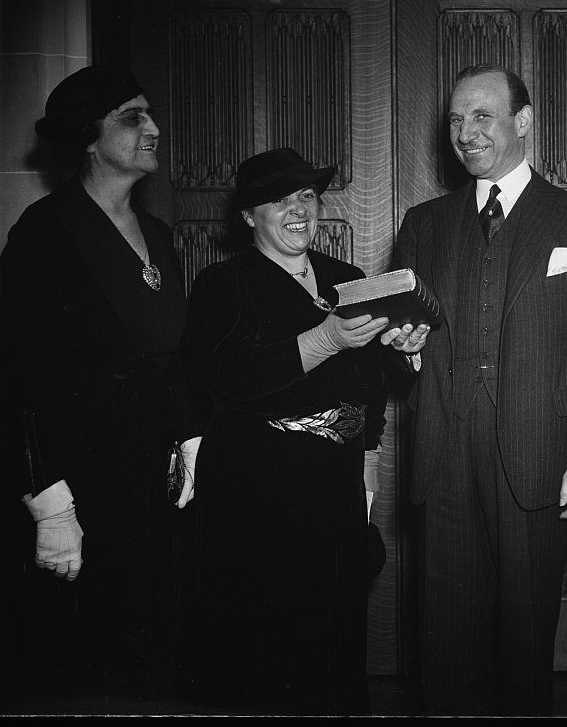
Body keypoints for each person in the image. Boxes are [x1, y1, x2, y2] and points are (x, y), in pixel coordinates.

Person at [383, 64, 567, 716]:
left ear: (522, 120)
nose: (466, 132)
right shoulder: (424, 224)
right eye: (457, 120)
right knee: (445, 646)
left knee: (525, 644)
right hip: (445, 455)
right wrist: (402, 354)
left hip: (539, 456)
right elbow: (400, 345)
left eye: (482, 116)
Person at [0, 65, 208, 713]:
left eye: (150, 114)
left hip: (148, 489)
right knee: (81, 669)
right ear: (89, 137)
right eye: (133, 117)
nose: (154, 128)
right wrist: (50, 503)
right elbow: (18, 380)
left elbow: (170, 357)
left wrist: (193, 437)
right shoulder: (44, 234)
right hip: (78, 490)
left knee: (151, 661)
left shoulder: (162, 236)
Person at [183, 147, 389, 716]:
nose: (297, 209)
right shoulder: (222, 283)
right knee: (266, 643)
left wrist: (404, 350)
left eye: (305, 195)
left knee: (335, 636)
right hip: (258, 492)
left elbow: (372, 384)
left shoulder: (349, 279)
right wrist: (326, 340)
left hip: (336, 485)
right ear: (248, 216)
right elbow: (232, 380)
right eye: (277, 199)